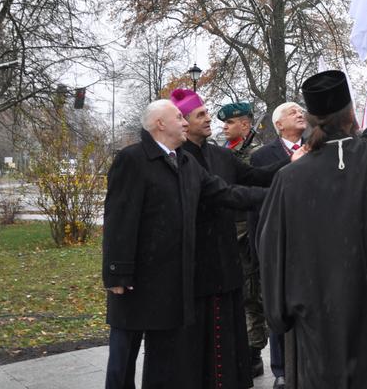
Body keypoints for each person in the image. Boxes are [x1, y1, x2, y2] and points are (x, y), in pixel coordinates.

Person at [258, 62, 367, 389]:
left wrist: (279, 315)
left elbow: (271, 251)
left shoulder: (289, 179)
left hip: (318, 333)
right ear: (351, 115)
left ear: (313, 120)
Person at [102, 100, 267, 389]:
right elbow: (119, 216)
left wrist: (275, 194)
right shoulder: (133, 159)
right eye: (179, 117)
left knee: (164, 354)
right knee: (124, 352)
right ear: (159, 124)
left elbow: (227, 193)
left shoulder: (186, 162)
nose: (184, 122)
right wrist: (116, 271)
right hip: (134, 278)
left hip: (171, 279)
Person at [172, 89, 289, 389]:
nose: (210, 118)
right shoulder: (180, 159)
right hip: (197, 261)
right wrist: (273, 198)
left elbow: (256, 176)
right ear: (183, 122)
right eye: (201, 115)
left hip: (226, 256)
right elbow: (226, 194)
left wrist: (293, 159)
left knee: (229, 333)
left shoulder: (221, 154)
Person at [251, 100, 308, 387]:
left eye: (301, 110)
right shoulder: (263, 157)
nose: (300, 113)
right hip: (279, 242)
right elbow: (259, 202)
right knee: (277, 305)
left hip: (310, 243)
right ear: (278, 125)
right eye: (292, 112)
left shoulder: (317, 148)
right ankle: (281, 371)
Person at [218, 100, 267, 377]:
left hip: (246, 231)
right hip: (227, 231)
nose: (224, 127)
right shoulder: (224, 152)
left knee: (250, 293)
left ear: (245, 125)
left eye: (230, 122)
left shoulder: (256, 154)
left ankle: (253, 353)